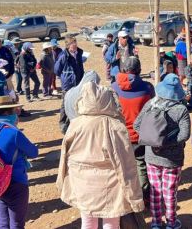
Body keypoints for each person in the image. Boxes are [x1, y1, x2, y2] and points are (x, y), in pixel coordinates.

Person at [57, 82, 145, 229]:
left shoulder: (75, 124)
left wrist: (62, 183)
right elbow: (127, 166)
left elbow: (64, 156)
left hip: (82, 183)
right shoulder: (116, 126)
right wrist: (135, 197)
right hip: (110, 186)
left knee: (87, 220)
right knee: (111, 221)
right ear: (108, 100)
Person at [133, 74, 190, 229]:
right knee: (169, 193)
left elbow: (137, 125)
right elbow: (184, 135)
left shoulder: (151, 104)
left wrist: (154, 140)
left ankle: (156, 223)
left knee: (155, 192)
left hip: (151, 156)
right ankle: (171, 223)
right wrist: (167, 142)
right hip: (172, 159)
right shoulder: (181, 110)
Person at [0, 96, 38, 229]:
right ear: (7, 113)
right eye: (14, 111)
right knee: (17, 223)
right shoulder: (13, 132)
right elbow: (34, 153)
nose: (16, 113)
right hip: (16, 182)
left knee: (3, 221)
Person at [111, 56, 155, 204]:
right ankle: (144, 196)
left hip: (121, 135)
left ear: (123, 69)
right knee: (141, 165)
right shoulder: (148, 88)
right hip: (141, 135)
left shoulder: (114, 88)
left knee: (122, 166)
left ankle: (125, 197)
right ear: (139, 70)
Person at [54, 34, 86, 131]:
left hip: (78, 82)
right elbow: (56, 70)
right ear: (68, 45)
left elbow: (80, 67)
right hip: (68, 85)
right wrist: (66, 77)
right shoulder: (63, 56)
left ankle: (75, 121)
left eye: (75, 42)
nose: (75, 45)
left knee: (77, 102)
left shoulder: (79, 53)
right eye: (73, 43)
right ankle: (63, 124)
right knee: (65, 104)